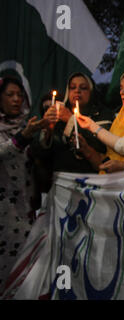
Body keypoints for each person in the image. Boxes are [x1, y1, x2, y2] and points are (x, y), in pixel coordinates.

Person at [0, 77, 49, 291]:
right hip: (3, 214)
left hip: (27, 211)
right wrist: (23, 137)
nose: (16, 99)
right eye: (10, 94)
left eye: (20, 95)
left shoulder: (27, 125)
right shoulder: (22, 131)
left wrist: (45, 136)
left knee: (25, 276)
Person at [31, 72, 114, 174]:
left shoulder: (104, 114)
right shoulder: (58, 114)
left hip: (93, 178)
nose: (77, 91)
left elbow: (102, 145)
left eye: (83, 88)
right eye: (72, 87)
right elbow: (38, 154)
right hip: (62, 180)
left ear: (91, 92)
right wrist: (47, 130)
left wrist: (71, 120)